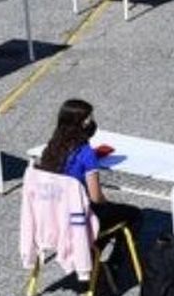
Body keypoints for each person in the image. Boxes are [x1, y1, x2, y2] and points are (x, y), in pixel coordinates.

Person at [36, 99, 142, 234]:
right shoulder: (86, 153)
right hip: (78, 216)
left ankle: (94, 250)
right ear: (84, 124)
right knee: (134, 214)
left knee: (110, 220)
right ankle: (117, 255)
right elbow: (96, 197)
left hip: (52, 214)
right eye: (90, 119)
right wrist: (108, 205)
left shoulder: (52, 148)